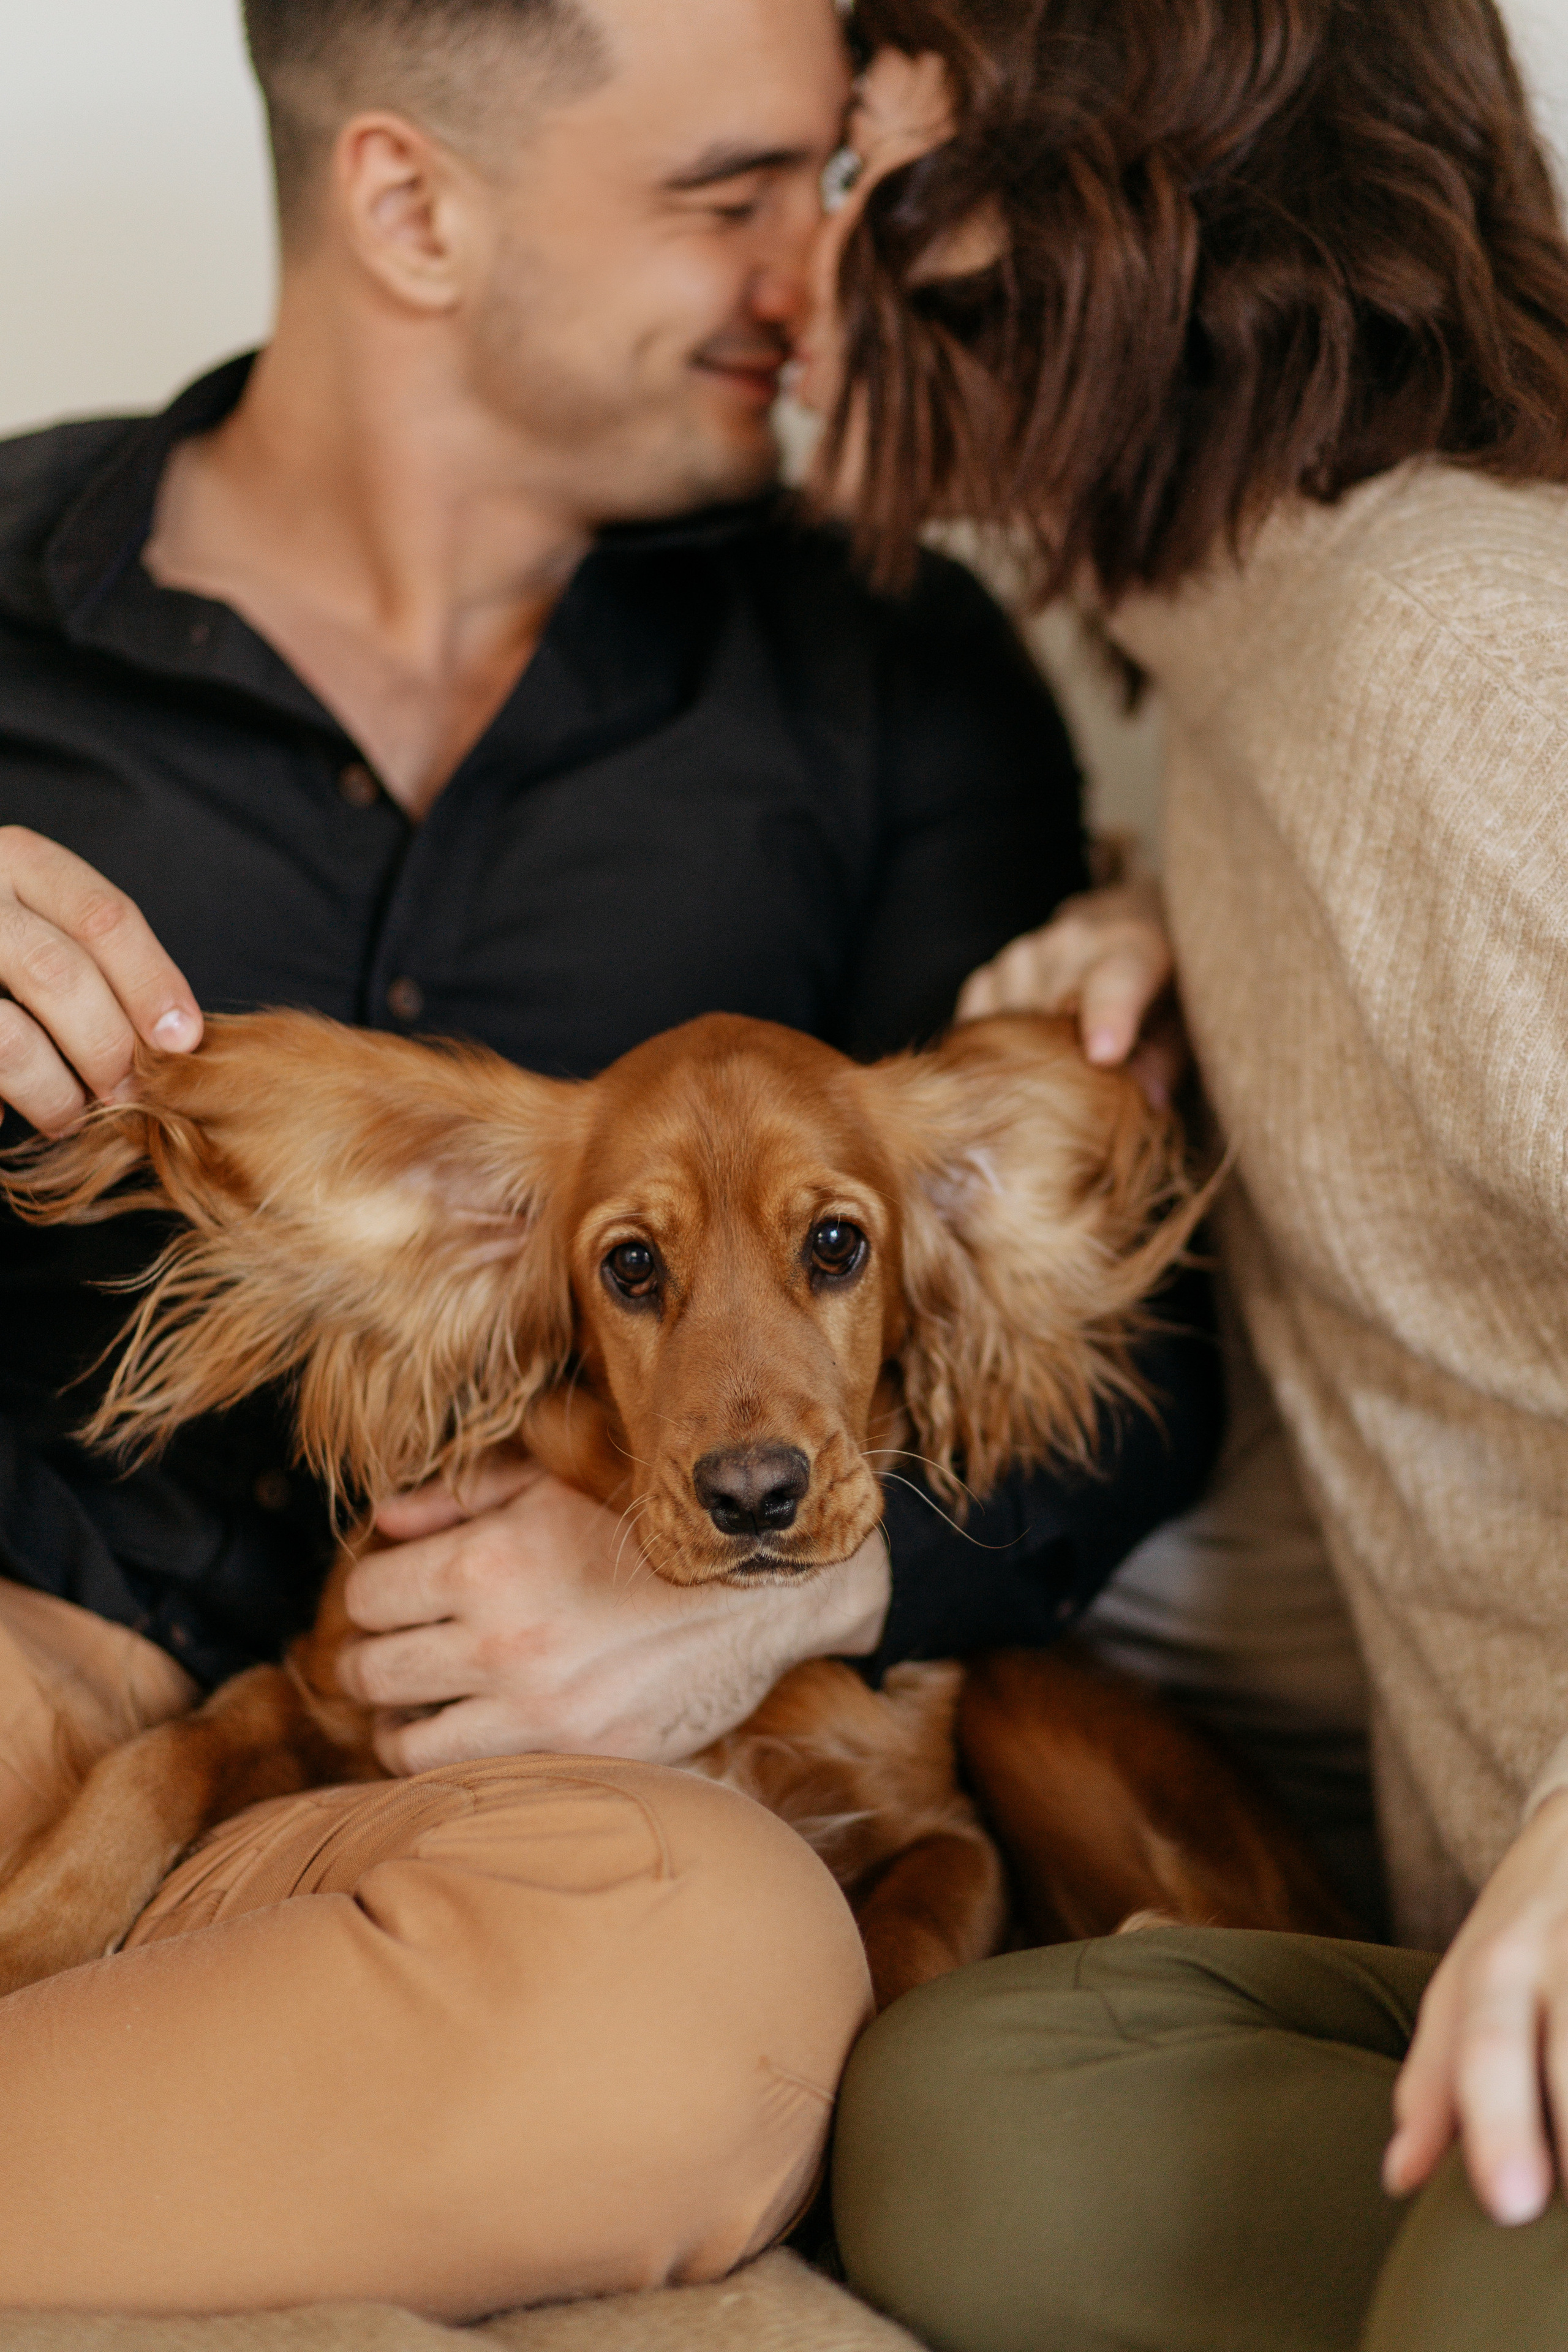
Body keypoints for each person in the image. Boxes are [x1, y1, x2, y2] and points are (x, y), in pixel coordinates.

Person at [0, 0, 1221, 2316]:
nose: (820, 281)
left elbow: (1126, 1363)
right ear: (411, 203)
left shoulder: (891, 672)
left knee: (702, 1989)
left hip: (536, 1836)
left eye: (829, 198)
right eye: (730, 196)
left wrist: (762, 1599)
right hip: (37, 1656)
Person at [804, 6, 1568, 2349]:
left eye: (857, 137)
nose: (797, 229)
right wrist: (1170, 927)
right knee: (962, 2125)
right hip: (1472, 1925)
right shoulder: (1261, 677)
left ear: (1087, 172)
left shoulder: (1445, 659)